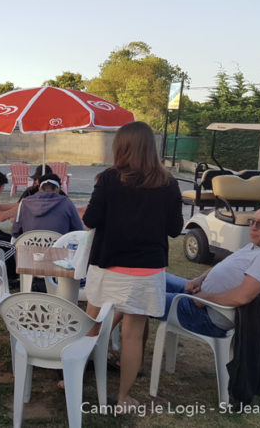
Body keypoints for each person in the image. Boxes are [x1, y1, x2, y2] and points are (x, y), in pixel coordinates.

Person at [82, 121, 183, 408]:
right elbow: (175, 229)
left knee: (92, 326)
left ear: (121, 147)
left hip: (108, 267)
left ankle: (71, 374)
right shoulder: (169, 183)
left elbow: (90, 220)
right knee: (132, 337)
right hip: (147, 272)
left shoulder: (108, 179)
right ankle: (123, 397)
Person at [159, 207, 260, 335]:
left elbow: (242, 296)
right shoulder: (255, 246)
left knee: (145, 298)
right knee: (155, 277)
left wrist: (207, 298)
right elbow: (224, 265)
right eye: (252, 222)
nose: (253, 227)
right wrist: (200, 279)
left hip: (209, 315)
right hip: (202, 297)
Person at [11, 173, 83, 238]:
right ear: (58, 189)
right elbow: (78, 230)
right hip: (59, 250)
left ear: (39, 188)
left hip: (29, 249)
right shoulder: (67, 203)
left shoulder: (24, 203)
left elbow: (15, 232)